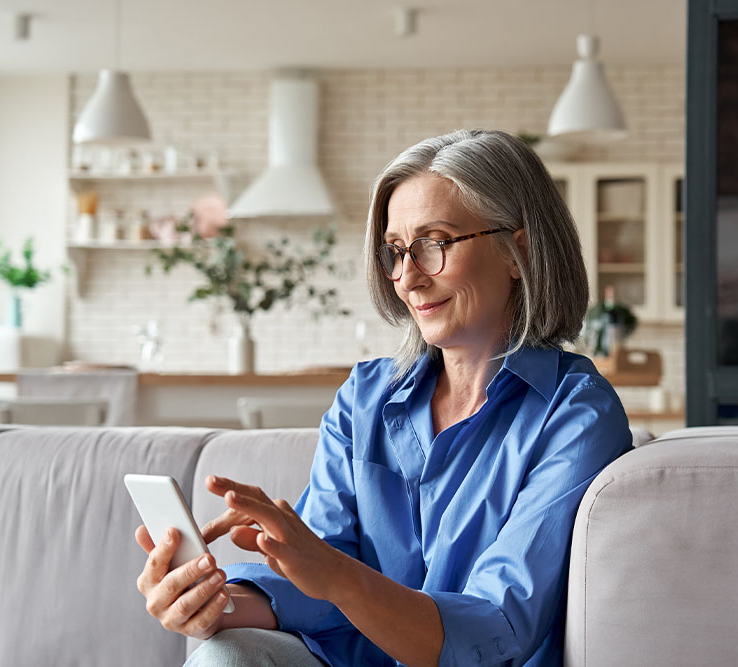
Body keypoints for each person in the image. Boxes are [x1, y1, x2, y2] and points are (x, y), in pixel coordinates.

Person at [134, 129, 632, 667]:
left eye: (434, 243)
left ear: (519, 251)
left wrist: (333, 575)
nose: (407, 279)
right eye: (396, 252)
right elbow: (317, 583)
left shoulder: (576, 413)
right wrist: (213, 603)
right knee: (222, 653)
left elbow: (497, 628)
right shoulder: (365, 398)